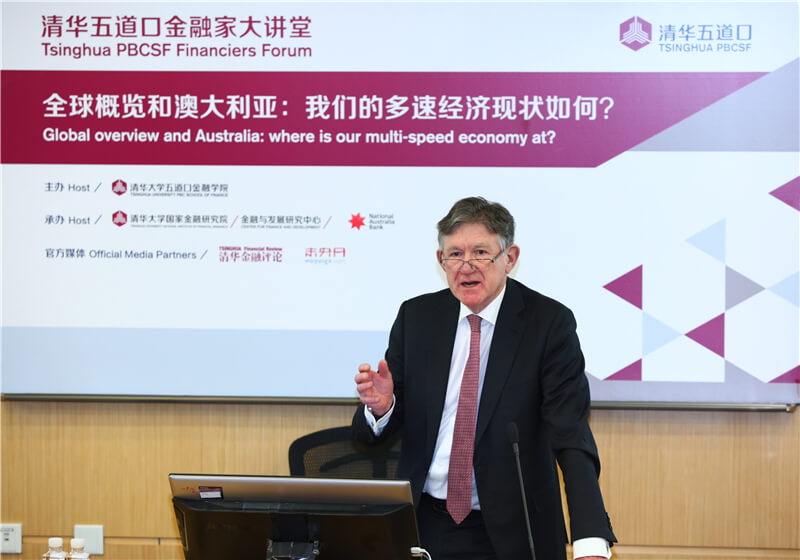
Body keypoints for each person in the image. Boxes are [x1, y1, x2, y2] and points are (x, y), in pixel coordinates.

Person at [352, 197, 616, 560]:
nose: (466, 266)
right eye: (455, 254)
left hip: (517, 530)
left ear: (510, 258)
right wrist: (383, 408)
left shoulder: (548, 324)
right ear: (440, 260)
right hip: (425, 524)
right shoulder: (417, 318)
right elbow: (369, 435)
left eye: (480, 252)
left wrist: (590, 539)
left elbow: (571, 434)